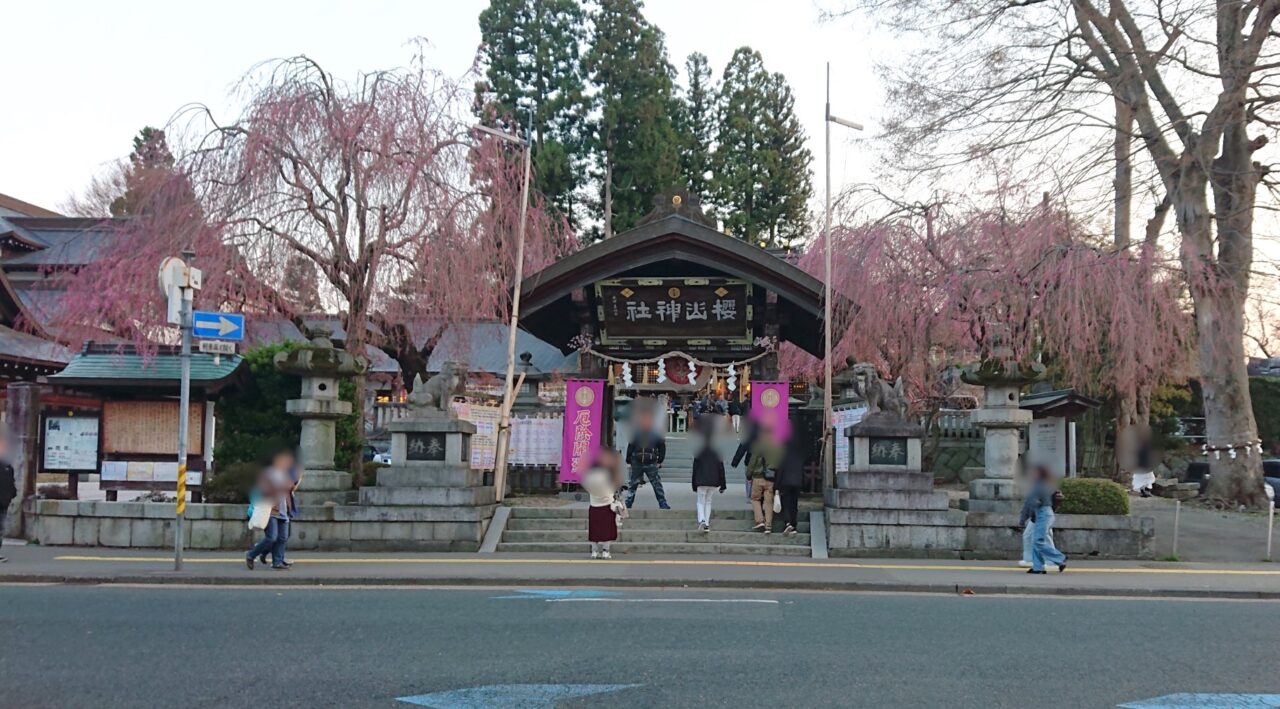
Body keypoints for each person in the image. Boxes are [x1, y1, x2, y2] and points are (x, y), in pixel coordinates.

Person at [246, 450, 296, 571]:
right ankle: (251, 554)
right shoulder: (267, 473)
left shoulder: (286, 474)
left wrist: (291, 507)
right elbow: (264, 490)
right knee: (271, 537)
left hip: (283, 510)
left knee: (283, 538)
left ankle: (277, 561)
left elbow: (290, 490)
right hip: (271, 510)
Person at [1019, 465, 1068, 574]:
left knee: (1038, 541)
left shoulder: (1040, 485)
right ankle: (1038, 568)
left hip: (1043, 514)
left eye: (1034, 472)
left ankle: (1059, 558)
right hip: (1042, 514)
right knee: (1036, 541)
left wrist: (1023, 518)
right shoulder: (1042, 484)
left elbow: (1031, 503)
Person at [582, 449, 624, 559]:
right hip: (607, 505)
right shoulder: (608, 474)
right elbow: (614, 486)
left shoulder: (589, 474)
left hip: (594, 505)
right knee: (607, 530)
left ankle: (594, 551)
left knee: (594, 529)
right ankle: (606, 551)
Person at [625, 405, 669, 509]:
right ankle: (628, 502)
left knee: (656, 484)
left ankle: (662, 502)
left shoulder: (656, 434)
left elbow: (662, 446)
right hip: (637, 460)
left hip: (651, 461)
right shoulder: (636, 433)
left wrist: (660, 459)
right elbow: (631, 445)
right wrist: (628, 459)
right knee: (633, 484)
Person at [747, 422, 784, 534]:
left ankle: (759, 521)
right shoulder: (778, 446)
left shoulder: (758, 445)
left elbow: (752, 462)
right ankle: (768, 526)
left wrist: (749, 474)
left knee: (755, 498)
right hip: (771, 478)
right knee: (769, 501)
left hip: (758, 477)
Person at [690, 419, 727, 532]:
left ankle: (701, 520)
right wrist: (723, 484)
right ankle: (706, 523)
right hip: (714, 481)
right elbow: (721, 469)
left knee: (700, 501)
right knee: (709, 501)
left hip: (701, 481)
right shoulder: (716, 454)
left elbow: (695, 469)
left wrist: (693, 484)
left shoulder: (699, 453)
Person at [773, 435, 806, 537]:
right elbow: (802, 471)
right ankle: (794, 525)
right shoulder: (798, 456)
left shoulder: (783, 456)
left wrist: (776, 487)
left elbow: (780, 472)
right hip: (797, 483)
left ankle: (787, 523)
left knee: (786, 503)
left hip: (786, 483)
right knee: (794, 504)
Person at [0, 432, 15, 563]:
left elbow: (11, 484)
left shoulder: (7, 467)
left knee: (0, 529)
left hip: (3, 503)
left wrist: (11, 495)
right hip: (3, 501)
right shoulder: (6, 467)